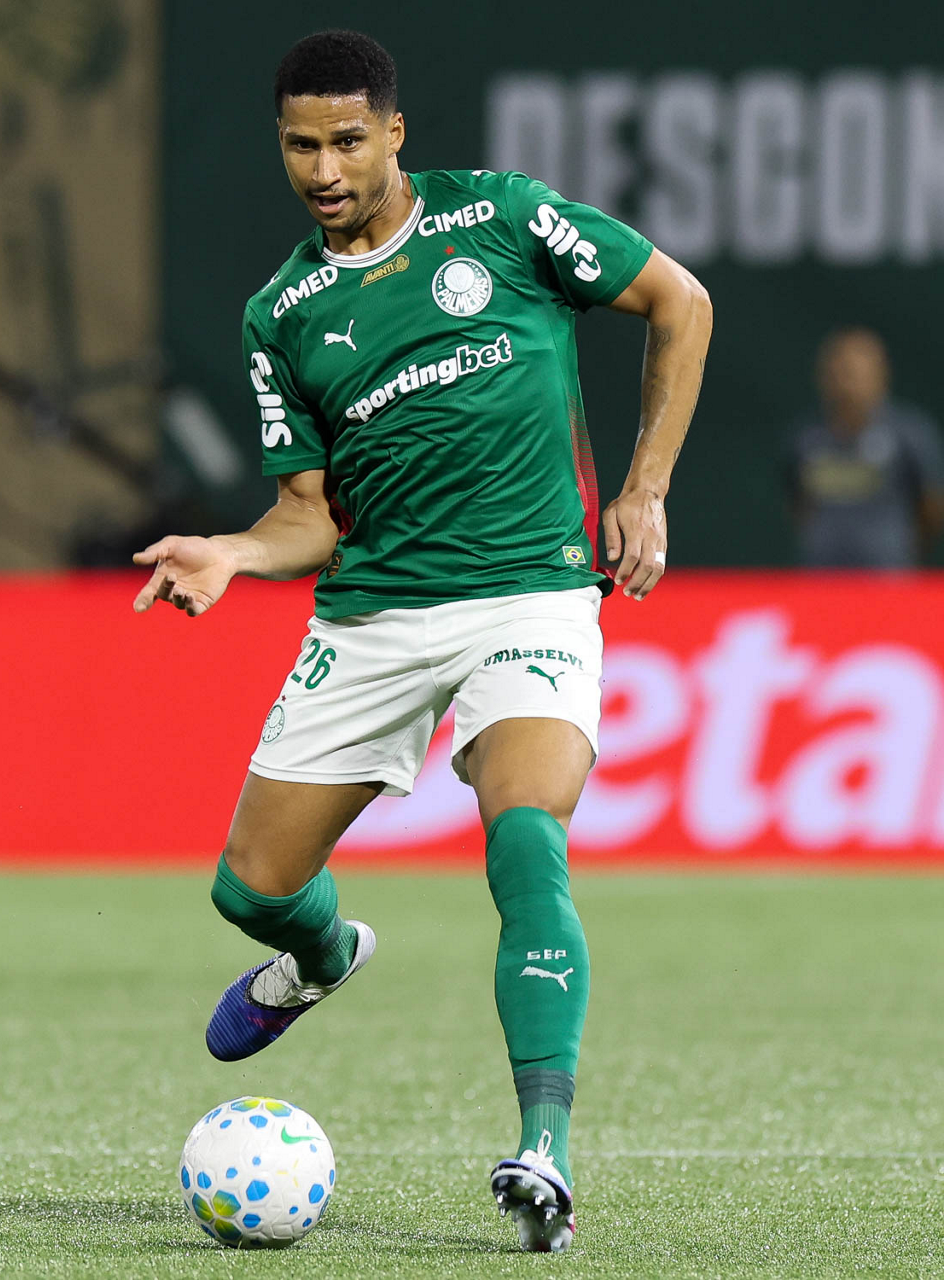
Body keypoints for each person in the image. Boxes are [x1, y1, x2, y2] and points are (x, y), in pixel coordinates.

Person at [133, 29, 711, 1252]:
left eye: (347, 140)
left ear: (393, 133)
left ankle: (543, 1149)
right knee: (250, 887)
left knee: (526, 839)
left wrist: (646, 489)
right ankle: (321, 955)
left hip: (528, 596)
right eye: (300, 145)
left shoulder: (503, 222)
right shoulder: (281, 314)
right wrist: (232, 551)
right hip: (375, 614)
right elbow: (307, 516)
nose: (324, 168)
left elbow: (681, 300)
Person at [787, 328, 944, 567]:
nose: (845, 384)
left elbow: (931, 507)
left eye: (853, 373)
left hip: (887, 576)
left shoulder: (910, 435)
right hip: (821, 576)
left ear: (880, 375)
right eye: (836, 372)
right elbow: (799, 504)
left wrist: (900, 547)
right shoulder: (806, 438)